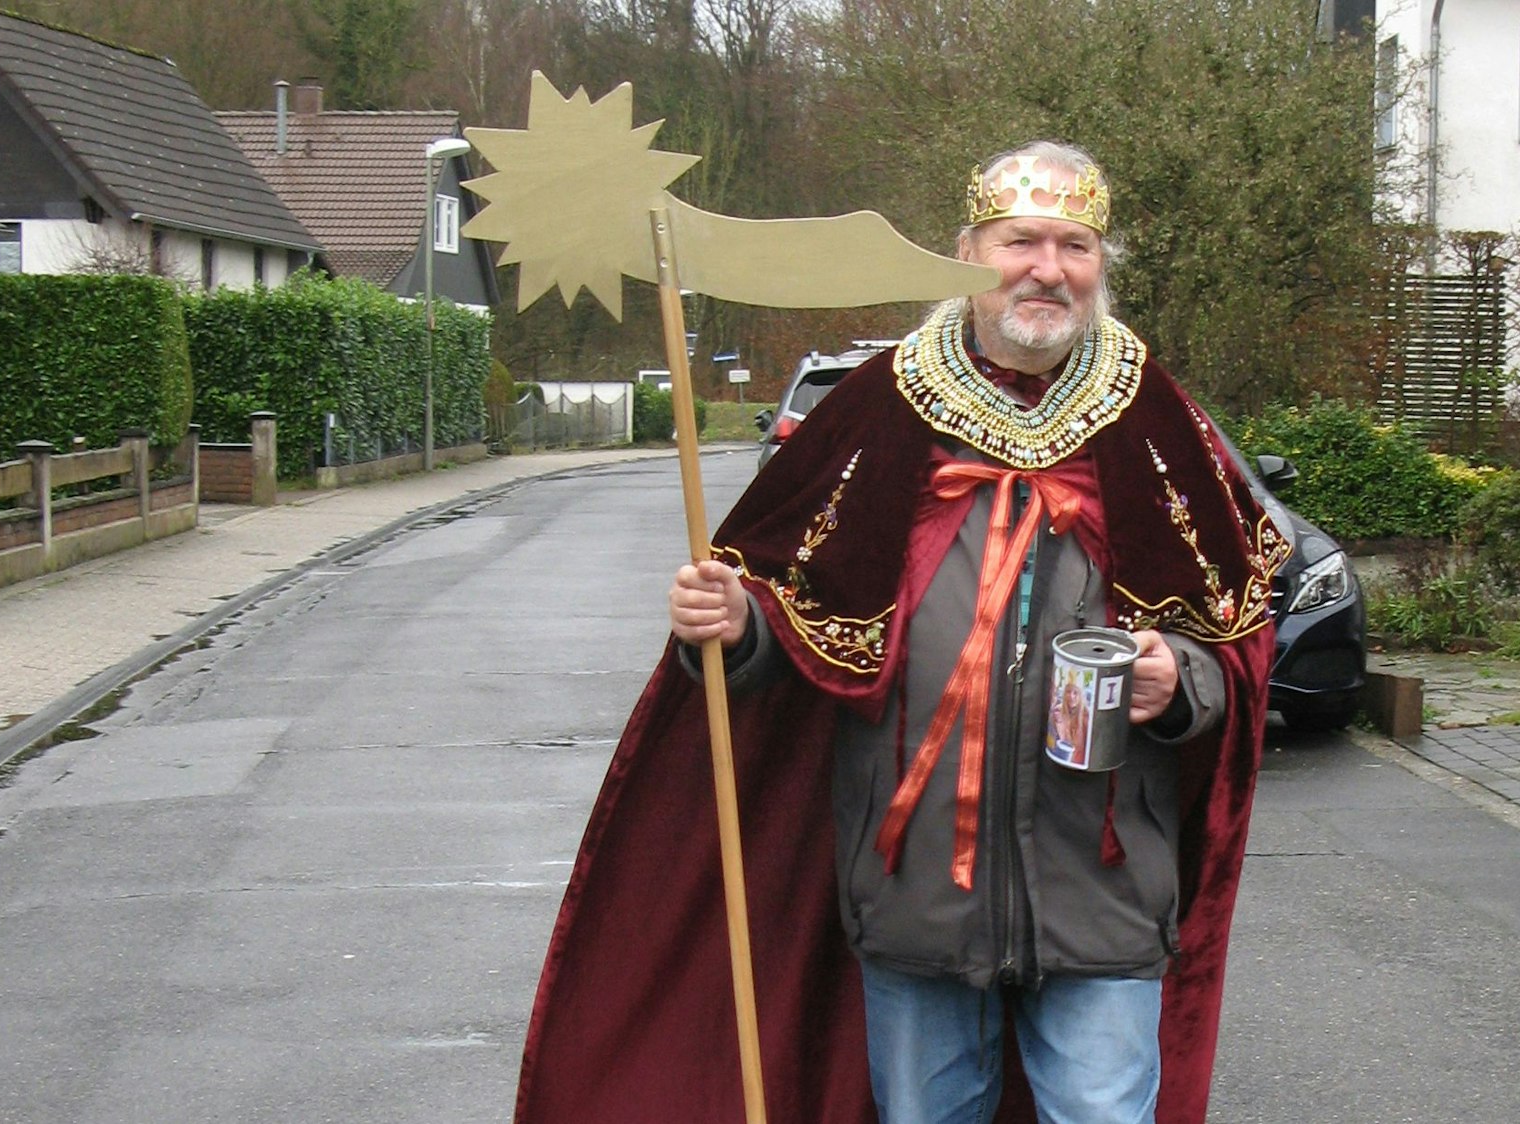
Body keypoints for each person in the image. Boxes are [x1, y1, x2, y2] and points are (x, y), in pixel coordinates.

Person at [512, 142, 1286, 1124]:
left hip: (1104, 887)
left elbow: (1237, 635)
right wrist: (736, 626)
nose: (1047, 269)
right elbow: (789, 616)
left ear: (1100, 265)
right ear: (965, 253)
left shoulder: (1157, 420)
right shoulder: (878, 411)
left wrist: (1179, 681)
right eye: (1019, 241)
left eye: (1074, 245)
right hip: (913, 887)